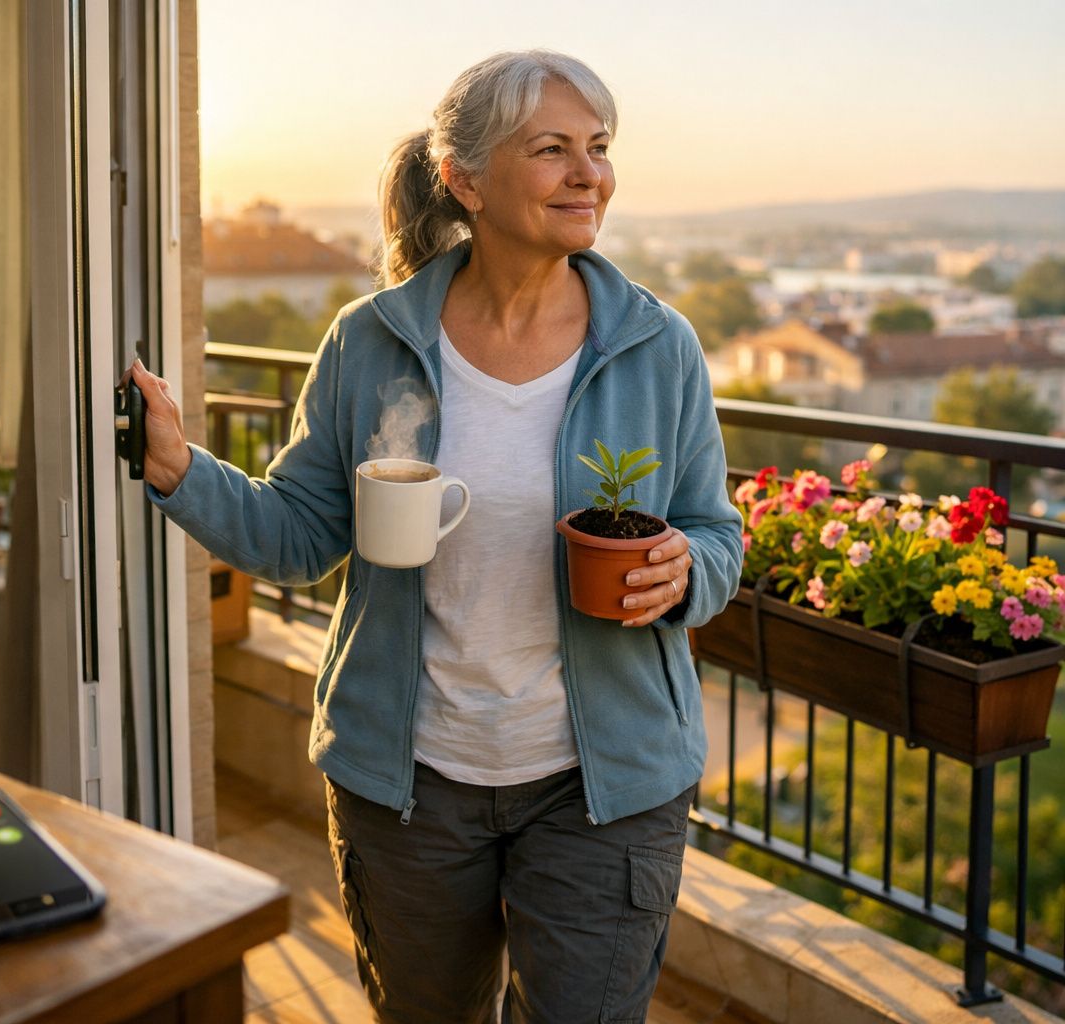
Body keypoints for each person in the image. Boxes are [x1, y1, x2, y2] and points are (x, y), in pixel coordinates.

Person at [131, 49, 742, 1024]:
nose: (590, 174)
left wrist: (687, 568)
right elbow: (298, 537)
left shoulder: (656, 346)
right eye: (553, 150)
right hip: (407, 786)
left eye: (599, 147)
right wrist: (177, 470)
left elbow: (716, 529)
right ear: (465, 179)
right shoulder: (371, 342)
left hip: (604, 786)